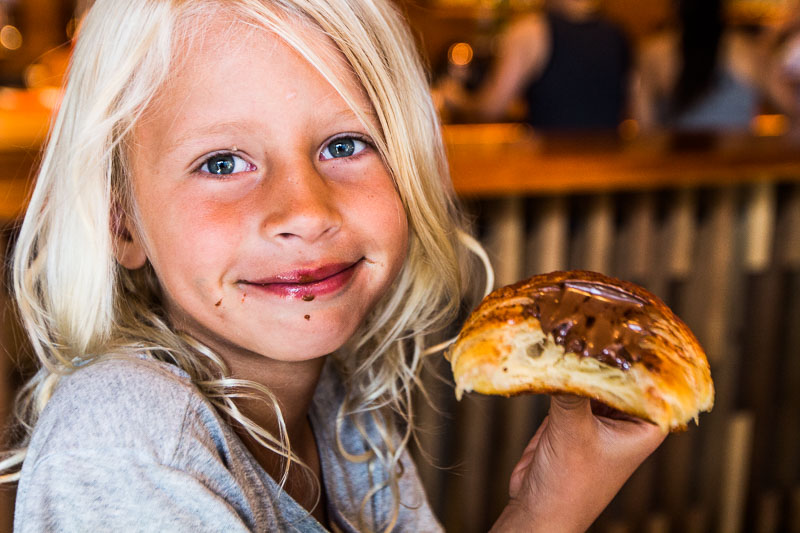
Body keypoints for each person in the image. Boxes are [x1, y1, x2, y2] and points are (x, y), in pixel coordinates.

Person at [0, 0, 665, 531]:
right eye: (222, 162)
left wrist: (552, 491)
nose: (305, 209)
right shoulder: (127, 437)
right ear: (121, 220)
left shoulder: (342, 412)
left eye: (345, 144)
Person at [439, 0, 631, 131]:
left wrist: (458, 101)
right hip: (609, 180)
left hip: (548, 177)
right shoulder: (618, 33)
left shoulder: (530, 32)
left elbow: (491, 109)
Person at [633, 0, 763, 131]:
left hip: (677, 150)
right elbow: (783, 99)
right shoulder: (746, 51)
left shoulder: (654, 53)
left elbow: (645, 126)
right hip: (739, 150)